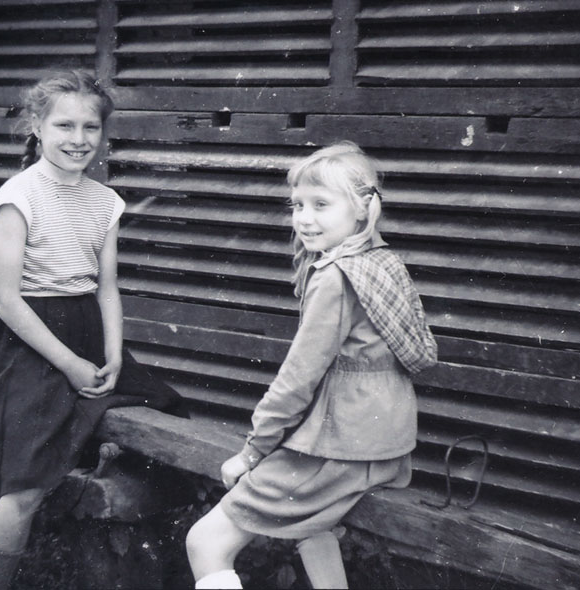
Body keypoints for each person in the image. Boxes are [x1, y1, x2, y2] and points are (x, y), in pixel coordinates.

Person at [0, 69, 187, 590]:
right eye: (64, 126)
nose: (79, 140)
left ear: (104, 132)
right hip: (28, 341)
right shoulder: (18, 197)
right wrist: (71, 364)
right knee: (25, 487)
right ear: (36, 125)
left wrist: (114, 354)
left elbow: (107, 288)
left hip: (88, 332)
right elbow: (6, 300)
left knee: (161, 407)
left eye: (90, 128)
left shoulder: (104, 201)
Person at [185, 141, 438, 589]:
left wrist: (252, 452)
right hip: (384, 448)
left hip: (339, 452)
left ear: (362, 209)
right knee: (313, 528)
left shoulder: (336, 275)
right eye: (297, 205)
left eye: (321, 204)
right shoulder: (381, 261)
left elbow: (298, 379)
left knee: (205, 542)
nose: (304, 218)